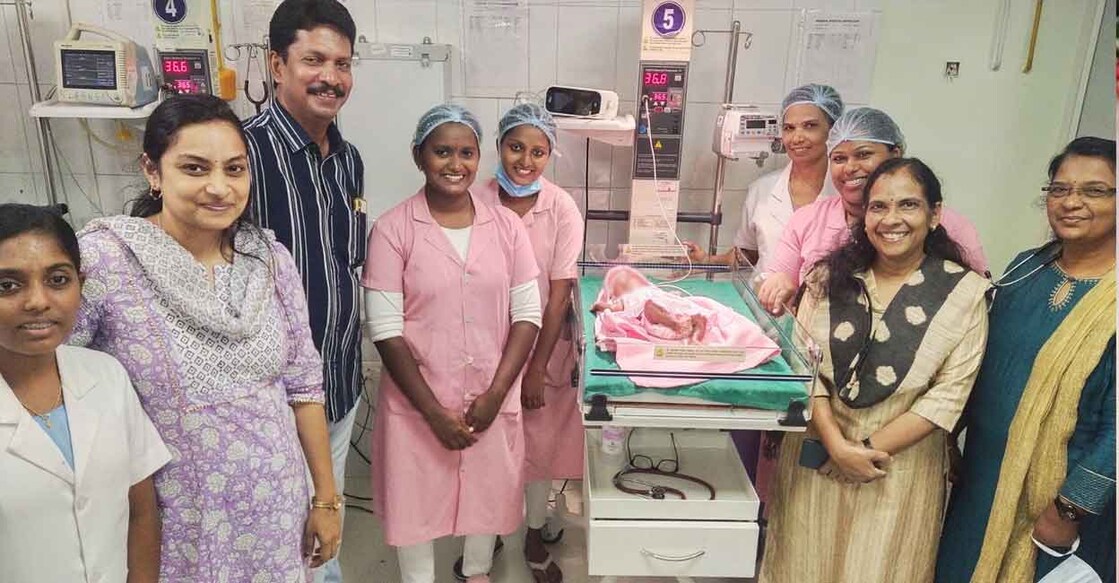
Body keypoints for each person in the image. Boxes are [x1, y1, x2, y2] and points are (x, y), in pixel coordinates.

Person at [71, 94, 341, 580]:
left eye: (234, 169)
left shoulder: (269, 260)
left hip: (277, 510)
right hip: (173, 521)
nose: (219, 188)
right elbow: (57, 378)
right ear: (153, 172)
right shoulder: (106, 261)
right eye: (195, 169)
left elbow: (303, 386)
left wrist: (325, 496)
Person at [758, 158, 989, 582]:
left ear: (935, 214)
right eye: (879, 207)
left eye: (908, 205)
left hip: (896, 469)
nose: (891, 219)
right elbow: (802, 364)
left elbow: (949, 395)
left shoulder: (965, 294)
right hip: (818, 456)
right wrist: (836, 445)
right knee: (801, 566)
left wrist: (860, 450)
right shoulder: (828, 278)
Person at [362, 104, 542, 583]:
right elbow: (385, 329)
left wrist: (496, 394)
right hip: (418, 404)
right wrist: (433, 412)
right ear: (419, 156)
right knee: (416, 510)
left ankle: (477, 573)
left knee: (486, 499)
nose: (455, 164)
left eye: (466, 153)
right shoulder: (392, 229)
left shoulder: (506, 228)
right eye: (442, 151)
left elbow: (527, 315)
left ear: (479, 158)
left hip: (489, 397)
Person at [936, 137, 1116, 582]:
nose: (1071, 202)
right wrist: (949, 437)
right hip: (981, 478)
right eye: (1059, 189)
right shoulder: (1026, 267)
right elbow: (981, 360)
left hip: (1059, 503)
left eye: (1094, 191)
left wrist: (1070, 508)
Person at [243, 4, 363, 579]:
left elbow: (344, 263)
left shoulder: (348, 161)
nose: (330, 77)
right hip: (273, 400)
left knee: (325, 528)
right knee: (285, 545)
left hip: (339, 382)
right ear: (276, 64)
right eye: (313, 59)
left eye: (342, 63)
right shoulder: (243, 157)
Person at [0, 204, 170, 583]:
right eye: (7, 285)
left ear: (80, 282)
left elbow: (141, 511)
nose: (37, 301)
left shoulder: (105, 376)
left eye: (57, 280)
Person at [470, 102, 582, 583]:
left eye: (538, 152)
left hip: (544, 350)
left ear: (550, 155)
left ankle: (535, 533)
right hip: (484, 350)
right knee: (484, 449)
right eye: (516, 147)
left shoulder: (560, 207)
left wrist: (536, 368)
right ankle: (485, 536)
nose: (525, 161)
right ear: (499, 146)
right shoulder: (474, 201)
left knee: (538, 450)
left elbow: (559, 293)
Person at [755, 107, 989, 314]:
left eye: (864, 154)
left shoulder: (951, 226)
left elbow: (976, 301)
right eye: (838, 158)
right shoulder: (807, 220)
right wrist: (778, 287)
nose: (850, 168)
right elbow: (776, 286)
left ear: (895, 155)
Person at [687, 83, 843, 270]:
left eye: (810, 126)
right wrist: (706, 259)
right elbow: (749, 254)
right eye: (789, 128)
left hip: (823, 298)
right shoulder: (762, 190)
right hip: (763, 296)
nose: (797, 138)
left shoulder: (847, 193)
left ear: (833, 131)